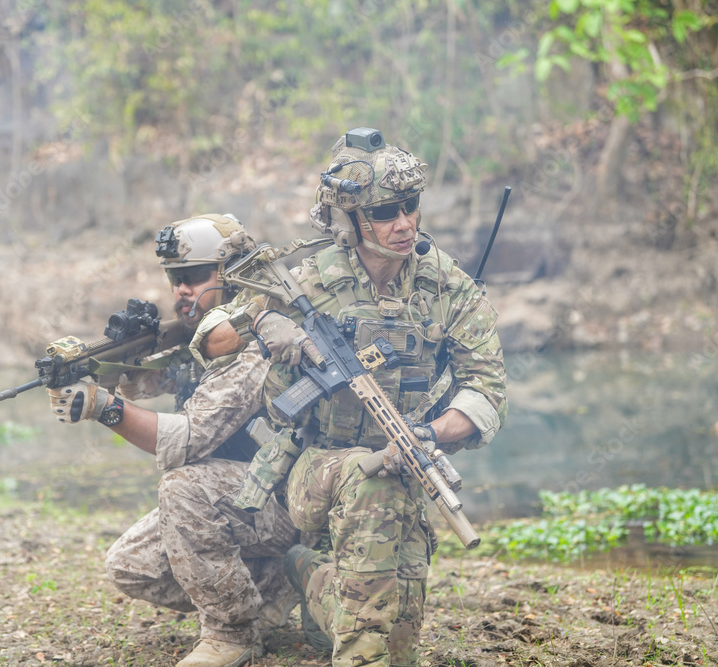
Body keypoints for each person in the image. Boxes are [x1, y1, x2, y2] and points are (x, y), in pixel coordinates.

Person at [192, 129, 508, 667]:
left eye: (410, 207)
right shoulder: (307, 278)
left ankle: (309, 572)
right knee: (372, 479)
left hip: (408, 454)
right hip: (315, 460)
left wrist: (431, 433)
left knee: (396, 636)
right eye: (386, 212)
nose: (404, 222)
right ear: (352, 220)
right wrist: (265, 320)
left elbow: (488, 388)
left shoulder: (446, 285)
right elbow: (208, 340)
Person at [45, 213, 299, 667]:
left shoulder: (259, 338)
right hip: (247, 495)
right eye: (174, 279)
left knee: (181, 486)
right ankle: (271, 591)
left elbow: (187, 438)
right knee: (132, 563)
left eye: (193, 276)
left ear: (232, 272)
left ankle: (232, 633)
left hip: (291, 500)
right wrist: (110, 366)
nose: (181, 290)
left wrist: (105, 407)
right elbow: (158, 378)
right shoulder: (205, 336)